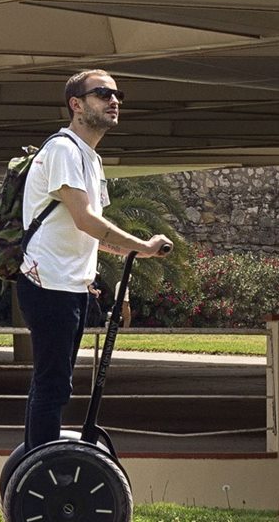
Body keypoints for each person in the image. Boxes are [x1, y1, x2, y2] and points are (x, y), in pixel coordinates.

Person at [18, 69, 174, 452]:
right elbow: (86, 219)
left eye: (117, 94)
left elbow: (92, 234)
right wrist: (142, 245)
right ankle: (40, 469)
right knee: (53, 384)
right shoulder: (63, 150)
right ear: (76, 105)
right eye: (102, 93)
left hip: (70, 285)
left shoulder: (91, 157)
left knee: (53, 383)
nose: (114, 100)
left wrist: (121, 268)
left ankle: (35, 463)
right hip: (47, 283)